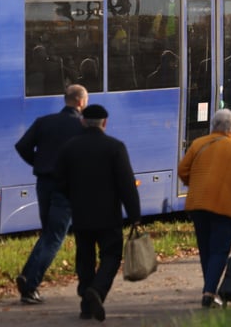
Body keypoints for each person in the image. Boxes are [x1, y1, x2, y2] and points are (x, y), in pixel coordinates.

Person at [54, 104, 141, 321]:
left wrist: (72, 198)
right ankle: (97, 290)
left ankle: (86, 303)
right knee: (111, 256)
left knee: (84, 257)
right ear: (105, 122)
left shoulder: (69, 147)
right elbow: (127, 185)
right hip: (109, 215)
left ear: (82, 121)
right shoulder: (115, 147)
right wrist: (135, 216)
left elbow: (59, 182)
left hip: (81, 214)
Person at [14, 84, 89, 305]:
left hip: (44, 184)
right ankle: (29, 283)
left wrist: (38, 162)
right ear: (81, 102)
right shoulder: (82, 127)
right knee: (54, 236)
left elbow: (22, 147)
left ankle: (28, 276)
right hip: (66, 189)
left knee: (48, 233)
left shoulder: (44, 122)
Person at [178, 108, 231, 308]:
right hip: (225, 207)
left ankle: (210, 290)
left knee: (206, 250)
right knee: (219, 251)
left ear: (214, 126)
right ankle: (209, 292)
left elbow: (182, 170)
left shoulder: (198, 144)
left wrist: (196, 183)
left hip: (198, 205)